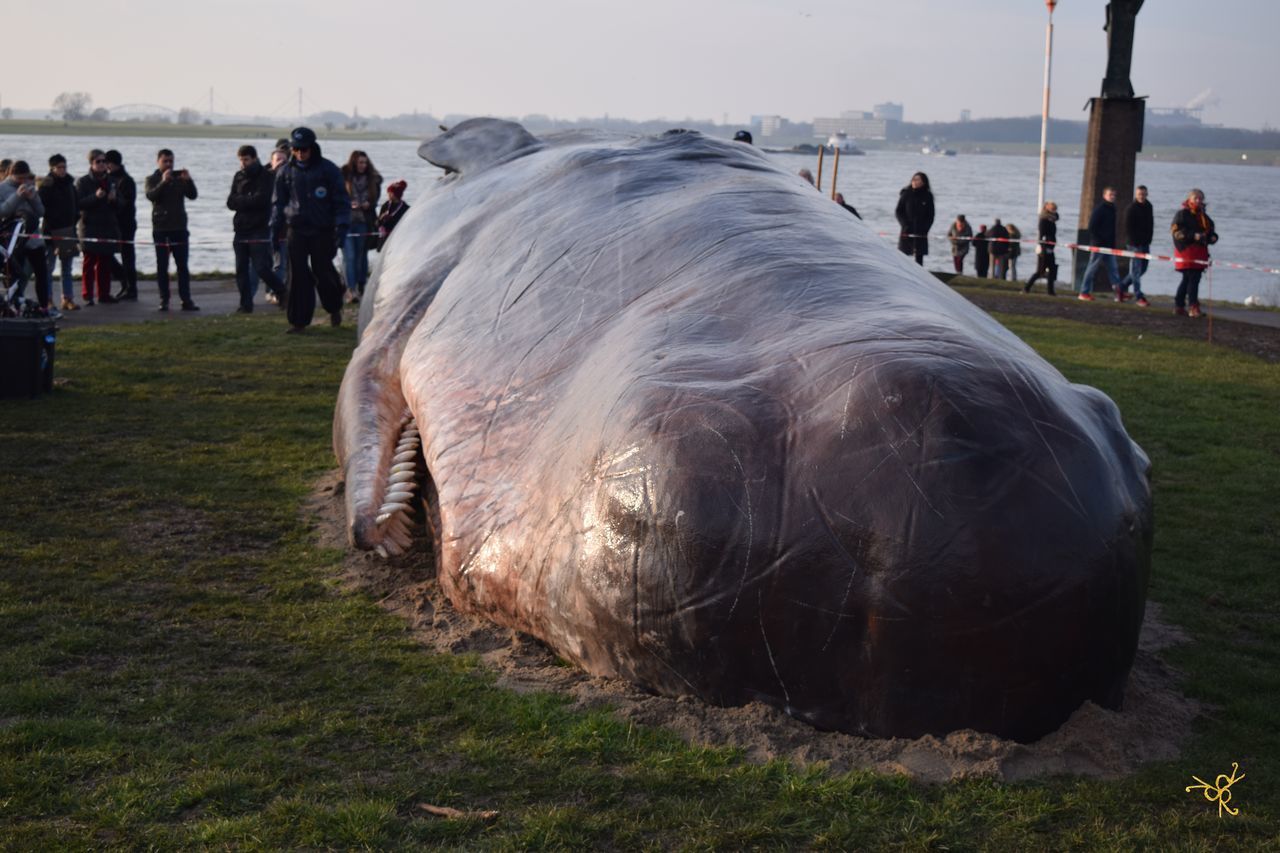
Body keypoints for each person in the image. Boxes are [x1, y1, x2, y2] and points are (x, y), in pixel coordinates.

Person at [270, 126, 350, 334]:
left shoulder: (328, 170)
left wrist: (341, 227)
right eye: (296, 149)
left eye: (304, 149)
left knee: (323, 271)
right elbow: (278, 203)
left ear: (312, 148)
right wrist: (275, 229)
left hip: (322, 230)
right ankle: (299, 321)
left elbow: (341, 201)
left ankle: (334, 307)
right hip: (296, 230)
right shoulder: (285, 171)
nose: (299, 153)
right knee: (298, 275)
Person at [227, 144, 287, 314]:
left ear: (254, 158)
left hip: (259, 228)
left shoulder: (266, 177)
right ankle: (245, 304)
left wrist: (243, 200)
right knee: (241, 269)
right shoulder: (238, 176)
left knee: (261, 267)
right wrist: (246, 200)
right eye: (241, 160)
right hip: (240, 228)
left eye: (246, 159)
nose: (243, 163)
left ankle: (281, 290)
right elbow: (231, 201)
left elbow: (262, 200)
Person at [144, 148, 199, 311]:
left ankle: (186, 299)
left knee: (182, 266)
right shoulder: (152, 178)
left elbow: (193, 195)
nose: (168, 164)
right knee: (162, 266)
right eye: (165, 161)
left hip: (179, 227)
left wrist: (188, 180)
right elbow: (151, 196)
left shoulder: (179, 178)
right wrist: (163, 182)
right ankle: (164, 299)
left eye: (171, 161)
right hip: (161, 228)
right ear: (158, 162)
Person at [0, 161, 53, 313]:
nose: (23, 181)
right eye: (20, 178)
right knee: (17, 275)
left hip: (34, 238)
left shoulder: (30, 186)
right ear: (11, 175)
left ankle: (44, 307)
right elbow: (3, 212)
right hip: (15, 240)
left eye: (26, 178)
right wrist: (17, 196)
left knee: (42, 273)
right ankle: (15, 305)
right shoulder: (2, 188)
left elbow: (41, 211)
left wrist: (33, 197)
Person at [74, 149, 120, 306]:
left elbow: (121, 205)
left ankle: (104, 294)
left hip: (107, 226)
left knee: (105, 262)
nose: (102, 164)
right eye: (98, 161)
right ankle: (88, 295)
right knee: (89, 262)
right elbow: (78, 203)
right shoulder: (83, 181)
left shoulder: (112, 181)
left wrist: (114, 200)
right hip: (90, 227)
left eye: (104, 161)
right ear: (91, 163)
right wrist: (95, 197)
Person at [38, 153, 80, 311]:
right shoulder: (46, 185)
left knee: (67, 268)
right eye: (59, 167)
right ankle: (48, 299)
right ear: (52, 168)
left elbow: (76, 206)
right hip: (50, 232)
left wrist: (74, 222)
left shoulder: (70, 184)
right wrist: (55, 228)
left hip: (68, 231)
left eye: (64, 167)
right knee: (49, 268)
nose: (62, 170)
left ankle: (67, 298)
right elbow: (43, 209)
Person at [340, 150, 382, 302]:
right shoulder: (343, 177)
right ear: (354, 163)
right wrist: (348, 204)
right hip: (346, 222)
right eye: (360, 162)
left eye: (365, 162)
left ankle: (361, 285)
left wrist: (368, 204)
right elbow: (337, 197)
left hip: (364, 222)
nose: (363, 165)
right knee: (349, 256)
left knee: (360, 256)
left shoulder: (373, 180)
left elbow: (375, 199)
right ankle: (350, 289)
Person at [1171, 188, 1217, 318]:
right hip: (1186, 251)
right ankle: (1193, 306)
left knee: (1188, 279)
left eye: (1200, 198)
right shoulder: (1182, 214)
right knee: (1193, 279)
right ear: (1189, 199)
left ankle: (1179, 305)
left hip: (1200, 252)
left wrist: (1213, 237)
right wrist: (1193, 236)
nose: (1198, 201)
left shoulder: (1203, 216)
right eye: (1195, 198)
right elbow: (1176, 233)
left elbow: (1210, 231)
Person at [104, 150, 138, 300]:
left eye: (107, 163)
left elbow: (127, 204)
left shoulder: (126, 180)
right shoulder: (108, 178)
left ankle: (131, 288)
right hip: (111, 223)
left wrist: (114, 200)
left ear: (112, 164)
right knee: (106, 254)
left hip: (125, 224)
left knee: (127, 256)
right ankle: (124, 280)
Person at [1078, 186, 1121, 302]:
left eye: (1114, 195)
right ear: (1104, 196)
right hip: (1099, 245)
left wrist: (1112, 244)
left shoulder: (1113, 209)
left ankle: (1119, 293)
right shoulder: (1100, 209)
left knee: (1113, 270)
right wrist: (1098, 242)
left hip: (1109, 246)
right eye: (1110, 195)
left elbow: (1111, 230)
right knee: (1092, 268)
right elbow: (1092, 227)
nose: (1112, 197)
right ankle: (1084, 292)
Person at [1116, 184, 1152, 306]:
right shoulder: (1131, 208)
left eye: (1143, 194)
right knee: (1136, 270)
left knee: (1143, 269)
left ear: (1146, 194)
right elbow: (1127, 228)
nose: (1141, 196)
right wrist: (1134, 243)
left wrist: (1148, 239)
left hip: (1145, 243)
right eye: (1139, 194)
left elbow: (1151, 224)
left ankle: (1121, 287)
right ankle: (1138, 296)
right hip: (1134, 244)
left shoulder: (1149, 206)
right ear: (1136, 195)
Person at [894, 171, 934, 266]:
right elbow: (898, 211)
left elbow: (931, 215)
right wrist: (904, 224)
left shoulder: (928, 196)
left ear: (923, 182)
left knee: (919, 259)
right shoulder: (906, 194)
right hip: (907, 229)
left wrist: (925, 228)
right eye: (913, 179)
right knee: (903, 257)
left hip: (921, 231)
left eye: (917, 180)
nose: (914, 182)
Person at [1024, 201, 1060, 296]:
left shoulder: (1052, 219)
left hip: (1050, 247)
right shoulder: (1044, 220)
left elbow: (1057, 217)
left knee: (1052, 270)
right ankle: (1026, 287)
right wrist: (1044, 245)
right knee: (1040, 271)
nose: (1054, 211)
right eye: (1053, 209)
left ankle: (1050, 291)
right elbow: (1042, 234)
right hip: (1045, 248)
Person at [376, 180, 409, 250]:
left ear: (396, 194)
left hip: (398, 239)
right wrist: (382, 218)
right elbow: (377, 223)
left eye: (390, 193)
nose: (388, 194)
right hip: (384, 239)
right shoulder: (386, 205)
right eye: (388, 192)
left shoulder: (405, 208)